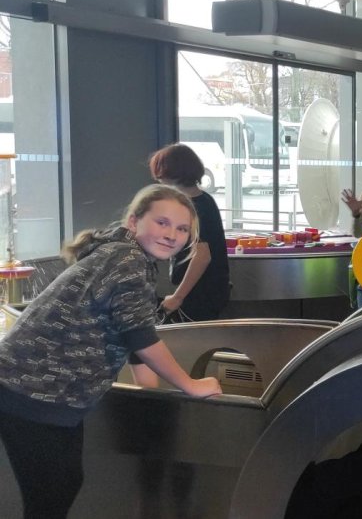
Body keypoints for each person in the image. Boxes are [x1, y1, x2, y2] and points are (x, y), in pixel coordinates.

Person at [0, 184, 223, 519]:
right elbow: (140, 336)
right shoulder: (127, 260)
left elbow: (127, 326)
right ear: (134, 221)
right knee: (53, 493)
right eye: (162, 222)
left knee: (61, 486)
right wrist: (190, 385)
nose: (171, 235)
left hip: (39, 388)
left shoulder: (120, 253)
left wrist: (148, 387)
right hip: (34, 389)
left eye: (182, 229)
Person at [149, 143, 230, 322]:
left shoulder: (194, 207)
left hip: (200, 295)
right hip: (207, 292)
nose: (159, 179)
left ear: (172, 172)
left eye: (161, 173)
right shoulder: (203, 200)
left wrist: (177, 297)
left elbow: (202, 255)